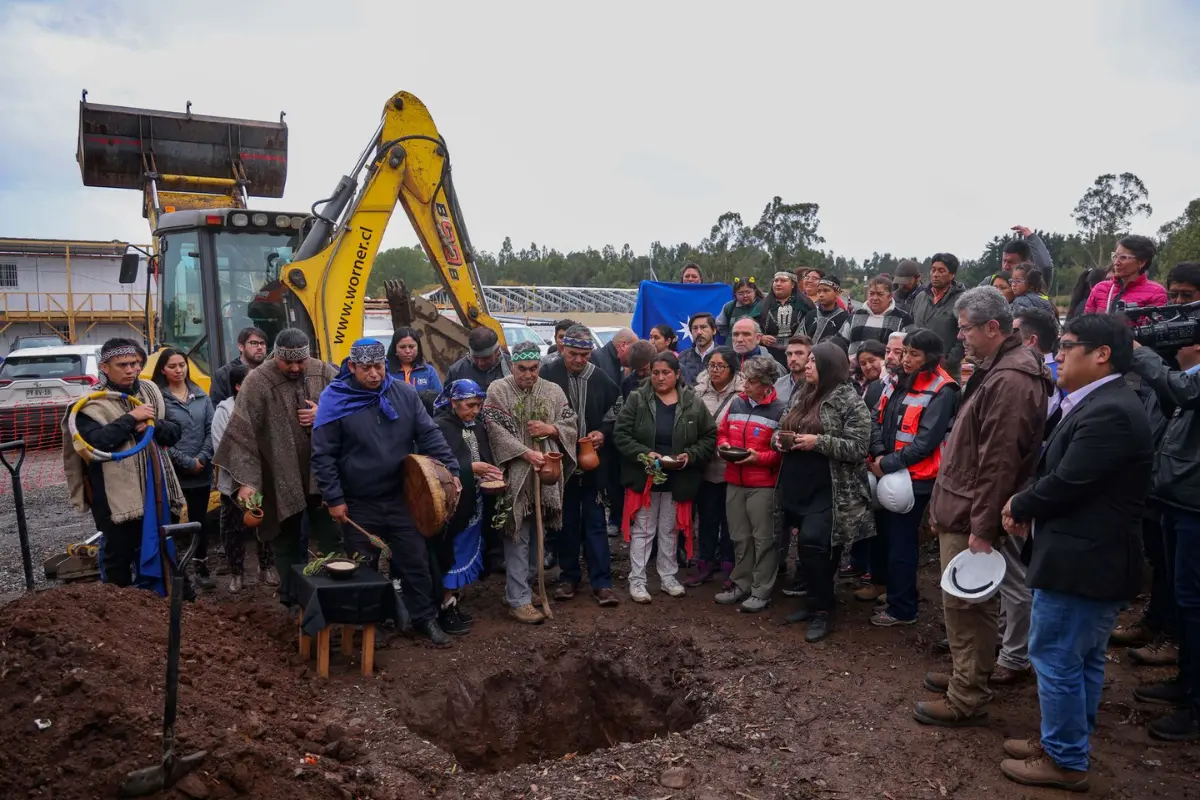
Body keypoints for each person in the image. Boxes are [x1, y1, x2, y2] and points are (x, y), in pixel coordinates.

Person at [999, 314, 1152, 790]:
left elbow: (1071, 481)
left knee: (1058, 656)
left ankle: (1065, 759)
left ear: (1101, 353)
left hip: (1084, 561)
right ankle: (1065, 741)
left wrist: (1020, 502)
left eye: (1066, 346)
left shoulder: (1110, 411)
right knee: (1078, 659)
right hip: (1086, 557)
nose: (1057, 355)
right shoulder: (1100, 403)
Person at [914, 287, 1053, 727]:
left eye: (966, 328)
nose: (960, 337)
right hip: (963, 504)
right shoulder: (998, 369)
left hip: (973, 512)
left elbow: (998, 463)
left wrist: (982, 527)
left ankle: (966, 695)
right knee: (961, 603)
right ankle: (966, 673)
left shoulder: (1011, 379)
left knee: (968, 604)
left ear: (993, 327)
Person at [310, 338, 459, 645]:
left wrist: (452, 471)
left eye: (379, 366)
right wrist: (335, 498)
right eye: (366, 368)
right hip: (357, 500)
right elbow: (323, 454)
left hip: (401, 496)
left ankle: (424, 618)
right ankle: (369, 625)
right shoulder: (334, 399)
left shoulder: (403, 394)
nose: (375, 374)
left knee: (415, 560)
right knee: (362, 567)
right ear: (352, 367)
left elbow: (429, 434)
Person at [212, 327, 341, 596]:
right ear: (276, 356)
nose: (295, 367)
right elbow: (242, 433)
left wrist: (323, 413)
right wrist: (247, 482)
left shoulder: (325, 372)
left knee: (332, 538)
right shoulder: (257, 381)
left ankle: (335, 596)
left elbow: (351, 409)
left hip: (323, 473)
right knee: (286, 540)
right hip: (279, 475)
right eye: (287, 362)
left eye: (301, 361)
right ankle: (294, 598)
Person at [60, 338, 184, 591]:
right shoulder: (89, 405)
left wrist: (152, 425)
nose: (131, 370)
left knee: (161, 549)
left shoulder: (150, 392)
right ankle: (119, 609)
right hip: (114, 499)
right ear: (105, 367)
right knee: (118, 557)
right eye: (123, 364)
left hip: (157, 488)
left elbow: (174, 432)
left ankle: (166, 603)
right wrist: (129, 419)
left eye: (135, 364)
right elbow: (95, 444)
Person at [1128, 318, 1200, 741]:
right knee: (1183, 595)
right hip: (1180, 498)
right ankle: (1185, 684)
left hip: (1194, 505)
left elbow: (1184, 391)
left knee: (1195, 602)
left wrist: (1139, 350)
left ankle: (1195, 705)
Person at [772, 342, 873, 641]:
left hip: (831, 488)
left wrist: (818, 442)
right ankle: (815, 601)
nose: (806, 365)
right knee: (809, 549)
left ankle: (823, 611)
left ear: (830, 365)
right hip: (798, 484)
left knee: (815, 543)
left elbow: (858, 448)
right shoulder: (803, 393)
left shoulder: (850, 401)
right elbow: (783, 424)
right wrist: (779, 439)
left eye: (814, 361)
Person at [482, 341, 581, 624]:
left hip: (546, 474)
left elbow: (570, 421)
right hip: (515, 474)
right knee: (518, 535)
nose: (528, 374)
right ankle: (519, 600)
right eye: (522, 368)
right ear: (512, 366)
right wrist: (525, 453)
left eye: (534, 368)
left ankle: (522, 587)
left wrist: (551, 429)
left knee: (540, 533)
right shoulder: (498, 390)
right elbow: (494, 429)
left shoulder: (552, 390)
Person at [867, 329, 959, 626]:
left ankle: (903, 608)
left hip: (916, 479)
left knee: (903, 544)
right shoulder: (896, 380)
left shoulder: (944, 390)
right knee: (886, 538)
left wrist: (887, 463)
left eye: (914, 354)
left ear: (930, 358)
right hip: (888, 469)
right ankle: (891, 591)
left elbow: (926, 441)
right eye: (904, 352)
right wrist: (880, 455)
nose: (905, 359)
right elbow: (876, 419)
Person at [615, 351, 716, 603]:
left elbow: (709, 437)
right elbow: (621, 435)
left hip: (678, 476)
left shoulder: (692, 402)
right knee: (644, 530)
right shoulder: (638, 399)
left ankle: (669, 577)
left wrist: (688, 456)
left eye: (666, 373)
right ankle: (637, 581)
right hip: (646, 475)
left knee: (670, 530)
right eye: (656, 373)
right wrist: (644, 454)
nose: (660, 378)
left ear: (677, 374)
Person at [540, 324, 622, 606]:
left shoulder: (601, 379)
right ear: (562, 348)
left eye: (585, 355)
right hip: (559, 462)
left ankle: (602, 582)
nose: (579, 360)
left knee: (596, 522)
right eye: (574, 353)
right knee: (567, 522)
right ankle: (568, 576)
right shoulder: (547, 376)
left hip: (592, 464)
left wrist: (604, 433)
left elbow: (617, 413)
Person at [714, 356, 786, 613]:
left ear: (767, 384)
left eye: (752, 381)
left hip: (763, 484)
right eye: (746, 379)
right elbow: (722, 431)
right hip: (734, 479)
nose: (746, 385)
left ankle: (761, 589)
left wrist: (759, 458)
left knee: (763, 538)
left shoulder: (780, 410)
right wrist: (722, 445)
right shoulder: (737, 403)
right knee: (739, 537)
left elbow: (780, 451)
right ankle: (741, 582)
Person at [433, 380, 499, 630]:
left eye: (479, 405)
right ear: (454, 402)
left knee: (465, 549)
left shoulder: (474, 426)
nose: (475, 410)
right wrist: (471, 468)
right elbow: (435, 468)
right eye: (470, 405)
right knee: (451, 553)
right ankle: (443, 606)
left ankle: (452, 602)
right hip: (452, 507)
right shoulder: (440, 427)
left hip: (475, 502)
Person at [152, 348, 216, 589]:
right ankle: (176, 568)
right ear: (163, 370)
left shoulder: (201, 395)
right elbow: (159, 436)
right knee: (173, 519)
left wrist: (202, 458)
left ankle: (201, 562)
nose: (179, 370)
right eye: (172, 366)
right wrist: (185, 461)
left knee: (200, 519)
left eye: (182, 365)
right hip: (173, 471)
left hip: (202, 468)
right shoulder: (159, 399)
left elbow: (211, 430)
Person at [211, 362, 276, 592]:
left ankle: (266, 567)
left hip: (263, 479)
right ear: (239, 386)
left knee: (265, 523)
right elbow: (222, 449)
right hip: (233, 483)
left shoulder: (265, 407)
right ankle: (236, 573)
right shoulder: (224, 411)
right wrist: (243, 481)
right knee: (233, 529)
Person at [686, 347, 742, 587]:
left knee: (731, 520)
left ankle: (730, 565)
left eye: (721, 366)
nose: (715, 370)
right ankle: (705, 563)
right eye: (711, 365)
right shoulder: (697, 394)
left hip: (732, 467)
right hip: (705, 467)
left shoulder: (742, 395)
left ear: (732, 369)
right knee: (707, 517)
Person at [911, 252, 968, 380]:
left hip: (947, 372)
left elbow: (965, 335)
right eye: (933, 270)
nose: (935, 274)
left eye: (941, 271)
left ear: (952, 275)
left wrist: (948, 360)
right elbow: (910, 326)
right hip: (916, 368)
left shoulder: (962, 300)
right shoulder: (920, 297)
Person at [1085, 235, 1167, 314]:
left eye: (1123, 257)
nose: (1116, 262)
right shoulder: (1100, 288)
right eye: (1115, 256)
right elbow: (1085, 323)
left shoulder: (1155, 293)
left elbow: (1156, 324)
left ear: (1142, 262)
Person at [842, 275, 913, 361]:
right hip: (853, 372)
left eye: (880, 294)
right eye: (871, 294)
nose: (874, 298)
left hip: (887, 372)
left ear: (890, 296)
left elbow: (911, 349)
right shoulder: (855, 316)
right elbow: (839, 342)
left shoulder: (903, 319)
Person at [1013, 307, 1065, 420]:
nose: (1007, 340)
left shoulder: (1039, 378)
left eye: (1013, 335)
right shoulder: (1060, 370)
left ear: (1032, 341)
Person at [761, 271, 815, 365]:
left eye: (783, 281)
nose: (778, 284)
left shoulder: (806, 304)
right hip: (768, 354)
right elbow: (752, 326)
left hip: (799, 354)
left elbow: (813, 327)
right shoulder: (763, 304)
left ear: (793, 284)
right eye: (776, 280)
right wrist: (761, 337)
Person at [209, 326, 268, 406]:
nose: (260, 347)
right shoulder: (223, 374)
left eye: (262, 343)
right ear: (241, 347)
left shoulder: (272, 372)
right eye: (254, 343)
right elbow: (217, 410)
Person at [445, 327, 512, 390]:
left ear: (497, 351)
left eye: (485, 358)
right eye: (475, 357)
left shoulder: (512, 367)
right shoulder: (456, 371)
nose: (480, 363)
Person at [799, 275, 850, 349]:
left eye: (826, 290)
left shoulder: (845, 318)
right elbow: (798, 340)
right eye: (818, 291)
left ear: (837, 293)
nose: (821, 295)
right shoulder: (810, 315)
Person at [387, 326, 443, 392]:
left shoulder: (429, 372)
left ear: (418, 347)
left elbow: (439, 399)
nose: (407, 351)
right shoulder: (386, 371)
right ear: (395, 349)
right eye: (402, 347)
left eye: (411, 347)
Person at [679, 312, 718, 387]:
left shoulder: (724, 355)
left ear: (714, 330)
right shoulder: (683, 357)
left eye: (703, 327)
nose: (699, 332)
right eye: (695, 328)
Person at [774, 335, 812, 406]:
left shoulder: (817, 386)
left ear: (810, 356)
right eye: (789, 354)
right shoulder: (777, 385)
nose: (793, 358)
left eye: (799, 353)